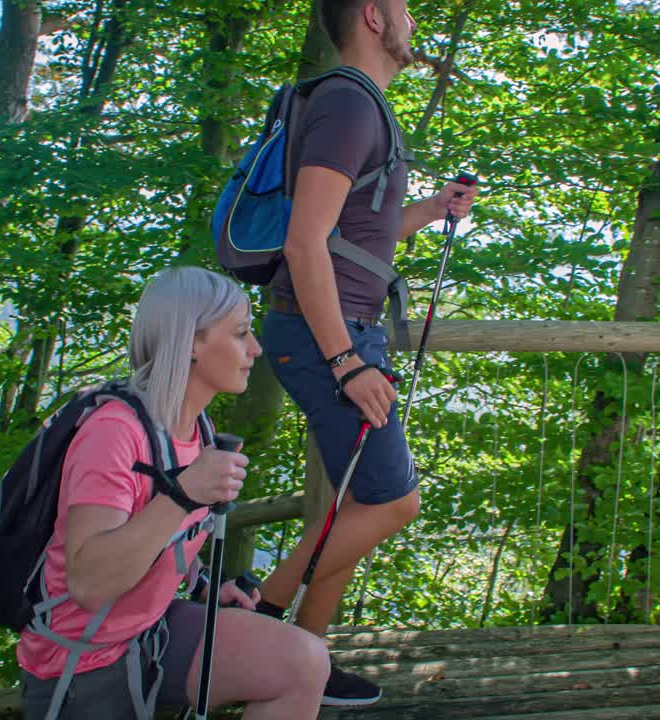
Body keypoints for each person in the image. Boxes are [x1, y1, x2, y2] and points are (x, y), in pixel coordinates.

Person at [253, 0, 479, 706]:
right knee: (395, 501)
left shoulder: (360, 106)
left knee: (360, 500)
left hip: (344, 326)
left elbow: (356, 236)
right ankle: (255, 615)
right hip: (331, 334)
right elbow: (304, 242)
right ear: (374, 17)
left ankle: (306, 665)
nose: (415, 21)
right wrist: (349, 362)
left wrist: (433, 210)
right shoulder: (350, 105)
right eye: (406, 8)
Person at [18, 267, 330, 720]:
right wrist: (183, 494)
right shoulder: (114, 433)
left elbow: (167, 536)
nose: (256, 349)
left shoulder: (193, 429)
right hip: (79, 662)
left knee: (303, 662)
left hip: (152, 632)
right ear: (190, 343)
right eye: (241, 333)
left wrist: (203, 585)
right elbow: (89, 585)